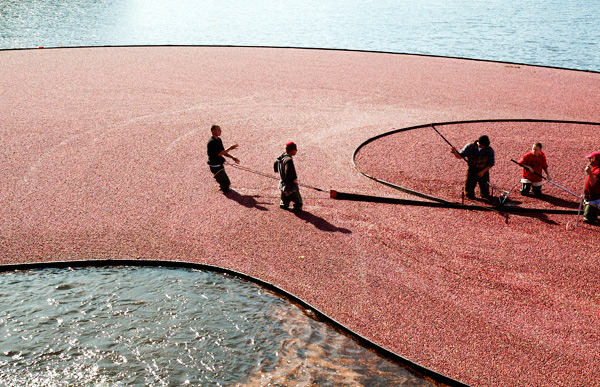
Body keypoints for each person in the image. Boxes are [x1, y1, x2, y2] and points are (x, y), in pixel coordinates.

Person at [451, 135, 495, 200]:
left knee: (485, 193)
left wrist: (482, 172)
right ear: (479, 143)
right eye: (483, 145)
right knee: (469, 194)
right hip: (471, 172)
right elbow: (460, 156)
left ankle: (484, 196)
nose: (485, 147)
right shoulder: (470, 147)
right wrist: (454, 152)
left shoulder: (489, 150)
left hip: (483, 172)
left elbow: (491, 163)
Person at [207, 124, 239, 192]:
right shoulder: (212, 142)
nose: (220, 131)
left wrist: (232, 157)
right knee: (226, 182)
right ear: (213, 131)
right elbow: (219, 154)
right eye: (218, 130)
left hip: (219, 164)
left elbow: (223, 151)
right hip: (214, 165)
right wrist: (230, 148)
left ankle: (221, 184)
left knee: (223, 180)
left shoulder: (219, 140)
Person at [275, 141, 302, 211]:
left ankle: (284, 204)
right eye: (296, 149)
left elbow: (275, 164)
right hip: (289, 184)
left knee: (284, 197)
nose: (296, 151)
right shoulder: (289, 160)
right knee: (297, 199)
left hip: (282, 182)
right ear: (292, 150)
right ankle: (297, 207)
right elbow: (290, 172)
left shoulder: (282, 156)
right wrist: (294, 180)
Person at [583, 151, 600, 224]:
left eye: (590, 158)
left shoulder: (598, 171)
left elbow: (593, 184)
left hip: (593, 200)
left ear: (594, 159)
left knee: (589, 220)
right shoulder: (594, 169)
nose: (588, 160)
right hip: (590, 198)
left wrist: (589, 173)